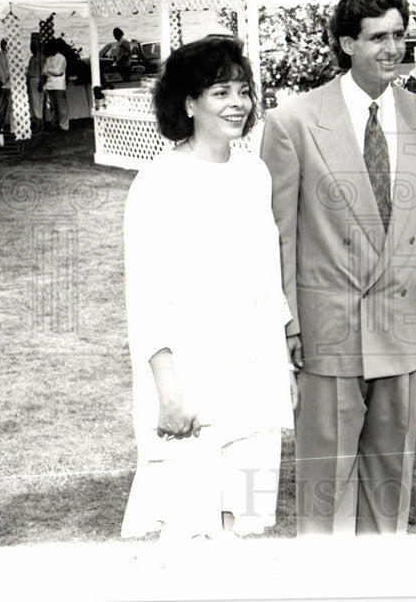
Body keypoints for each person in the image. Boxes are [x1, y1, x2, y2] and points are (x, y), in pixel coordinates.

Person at [260, 0, 416, 536]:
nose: (393, 49)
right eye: (377, 38)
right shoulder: (291, 122)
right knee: (323, 489)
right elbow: (279, 234)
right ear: (346, 43)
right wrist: (287, 320)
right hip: (327, 331)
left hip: (400, 326)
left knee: (390, 488)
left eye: (400, 35)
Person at [121, 36, 294, 542]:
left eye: (242, 90)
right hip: (193, 381)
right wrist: (169, 394)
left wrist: (281, 365)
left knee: (247, 520)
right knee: (189, 530)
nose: (237, 103)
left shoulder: (255, 173)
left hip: (255, 378)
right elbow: (146, 300)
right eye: (220, 92)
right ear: (188, 103)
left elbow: (269, 281)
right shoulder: (157, 182)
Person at [42, 39, 70, 131]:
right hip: (50, 85)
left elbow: (58, 71)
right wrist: (51, 72)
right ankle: (55, 124)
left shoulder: (61, 58)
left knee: (61, 106)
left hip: (58, 85)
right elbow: (44, 71)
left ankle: (64, 125)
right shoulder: (48, 58)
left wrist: (49, 71)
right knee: (53, 107)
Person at [27, 40, 45, 132]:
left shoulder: (41, 58)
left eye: (34, 46)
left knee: (38, 101)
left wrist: (41, 83)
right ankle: (35, 121)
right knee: (33, 101)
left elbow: (43, 71)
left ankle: (40, 122)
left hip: (38, 79)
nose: (32, 48)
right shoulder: (31, 58)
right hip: (31, 80)